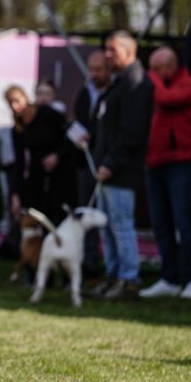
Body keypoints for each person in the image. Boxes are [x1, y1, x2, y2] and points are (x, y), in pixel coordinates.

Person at [88, 30, 154, 301]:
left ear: (129, 51)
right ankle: (113, 277)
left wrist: (111, 163)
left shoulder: (136, 82)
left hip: (121, 171)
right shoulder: (121, 82)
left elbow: (132, 132)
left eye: (112, 50)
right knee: (108, 228)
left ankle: (128, 280)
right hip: (108, 169)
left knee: (121, 226)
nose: (107, 55)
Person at [140, 47, 191, 300]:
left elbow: (167, 99)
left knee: (183, 221)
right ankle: (169, 278)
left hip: (180, 162)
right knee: (161, 223)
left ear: (170, 66)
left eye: (157, 69)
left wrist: (152, 78)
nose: (153, 74)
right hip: (155, 162)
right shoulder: (158, 87)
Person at [4, 85, 77, 226]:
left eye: (17, 101)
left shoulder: (47, 114)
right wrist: (15, 194)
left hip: (62, 172)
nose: (14, 106)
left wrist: (57, 155)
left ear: (25, 98)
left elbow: (72, 135)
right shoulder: (17, 130)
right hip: (39, 176)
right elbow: (19, 162)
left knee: (62, 216)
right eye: (10, 103)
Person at [72, 49, 112, 277]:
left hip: (106, 164)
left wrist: (93, 135)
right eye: (91, 70)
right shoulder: (84, 92)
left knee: (105, 215)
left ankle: (109, 265)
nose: (94, 74)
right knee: (85, 210)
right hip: (84, 162)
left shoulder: (114, 93)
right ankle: (87, 260)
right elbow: (78, 120)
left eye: (98, 70)